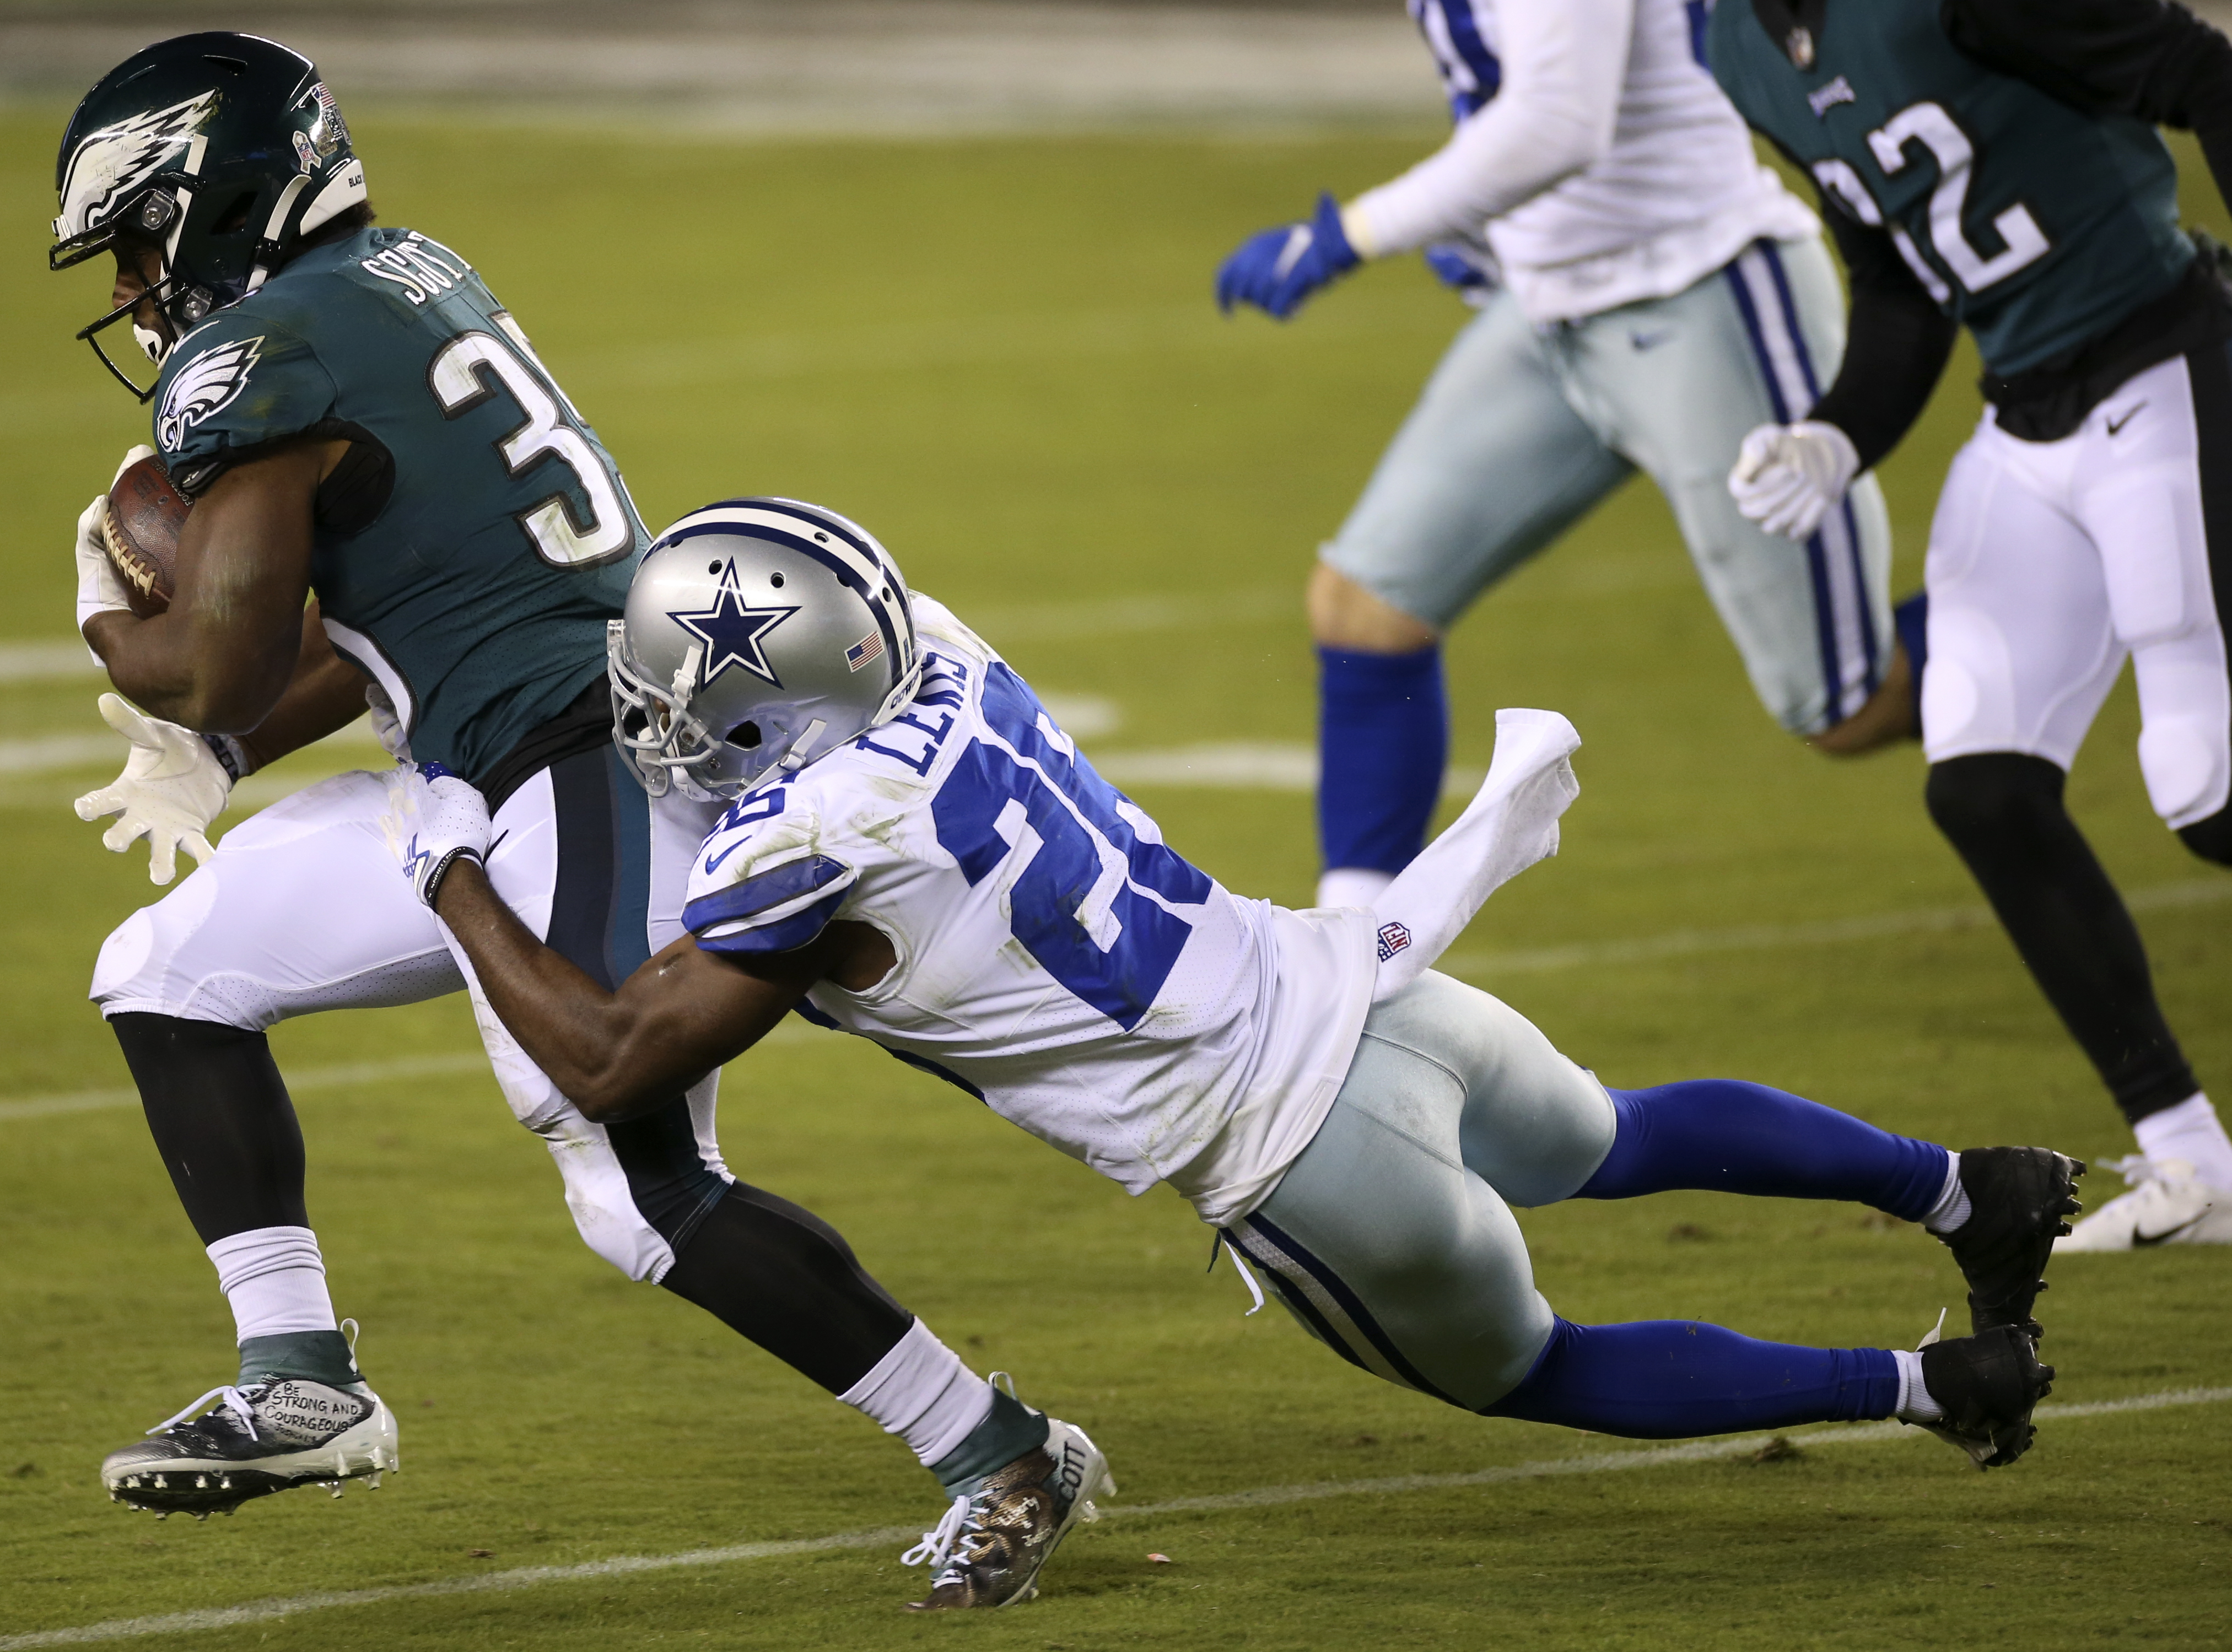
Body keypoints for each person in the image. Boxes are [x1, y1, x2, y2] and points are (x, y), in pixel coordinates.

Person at [384, 496, 2082, 1601]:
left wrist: (453, 872)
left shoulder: (801, 841)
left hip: (1298, 1155)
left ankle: (1935, 1385)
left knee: (1535, 1363)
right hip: (1370, 991)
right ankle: (1968, 1185)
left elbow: (610, 1060)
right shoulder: (940, 644)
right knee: (1617, 1131)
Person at [48, 35, 1093, 1570]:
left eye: (143, 235)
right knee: (162, 969)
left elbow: (219, 661)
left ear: (216, 198)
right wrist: (223, 752)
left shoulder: (260, 353)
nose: (139, 284)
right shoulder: (406, 274)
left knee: (643, 1191)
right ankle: (301, 1380)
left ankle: (999, 1450)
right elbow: (414, 607)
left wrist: (108, 615)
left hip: (571, 768)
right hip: (496, 759)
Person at [1708, 0, 2232, 1249]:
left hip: (2160, 367)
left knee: (2209, 790)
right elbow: (1898, 286)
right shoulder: (1738, 45)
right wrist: (1837, 431)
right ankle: (2190, 1161)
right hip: (2024, 421)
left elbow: (2199, 69)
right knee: (1982, 789)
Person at [1213, 0, 1913, 913]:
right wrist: (1482, 232)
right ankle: (1352, 964)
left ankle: (2063, 621)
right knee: (1365, 610)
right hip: (1554, 305)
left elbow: (1559, 119)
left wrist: (1356, 233)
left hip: (1697, 286)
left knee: (1848, 708)